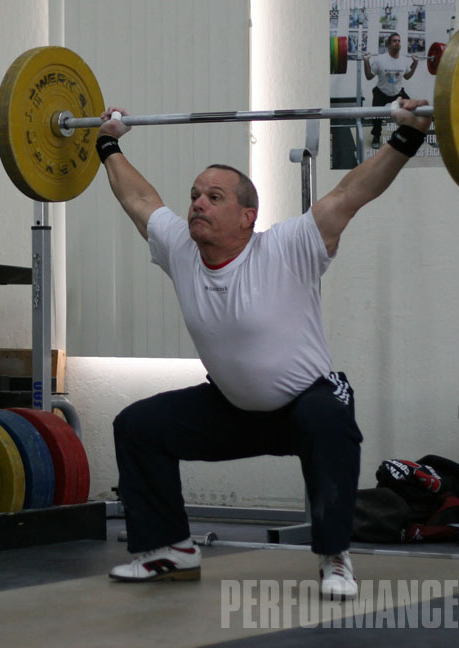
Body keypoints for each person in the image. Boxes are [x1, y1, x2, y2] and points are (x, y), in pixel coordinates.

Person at [96, 98, 431, 600]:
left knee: (328, 420)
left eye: (214, 197)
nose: (198, 204)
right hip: (233, 408)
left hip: (306, 401)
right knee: (138, 426)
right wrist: (107, 145)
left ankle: (335, 555)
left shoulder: (287, 247)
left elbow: (350, 194)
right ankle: (171, 549)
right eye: (195, 195)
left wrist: (407, 136)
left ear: (247, 216)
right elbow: (139, 199)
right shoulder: (181, 248)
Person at [364, 33, 419, 149]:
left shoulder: (404, 60)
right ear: (388, 44)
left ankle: (404, 135)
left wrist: (415, 63)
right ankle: (376, 135)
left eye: (399, 41)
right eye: (394, 41)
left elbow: (407, 76)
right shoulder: (380, 60)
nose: (397, 43)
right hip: (381, 92)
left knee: (411, 110)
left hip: (397, 93)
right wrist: (366, 61)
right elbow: (369, 76)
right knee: (376, 115)